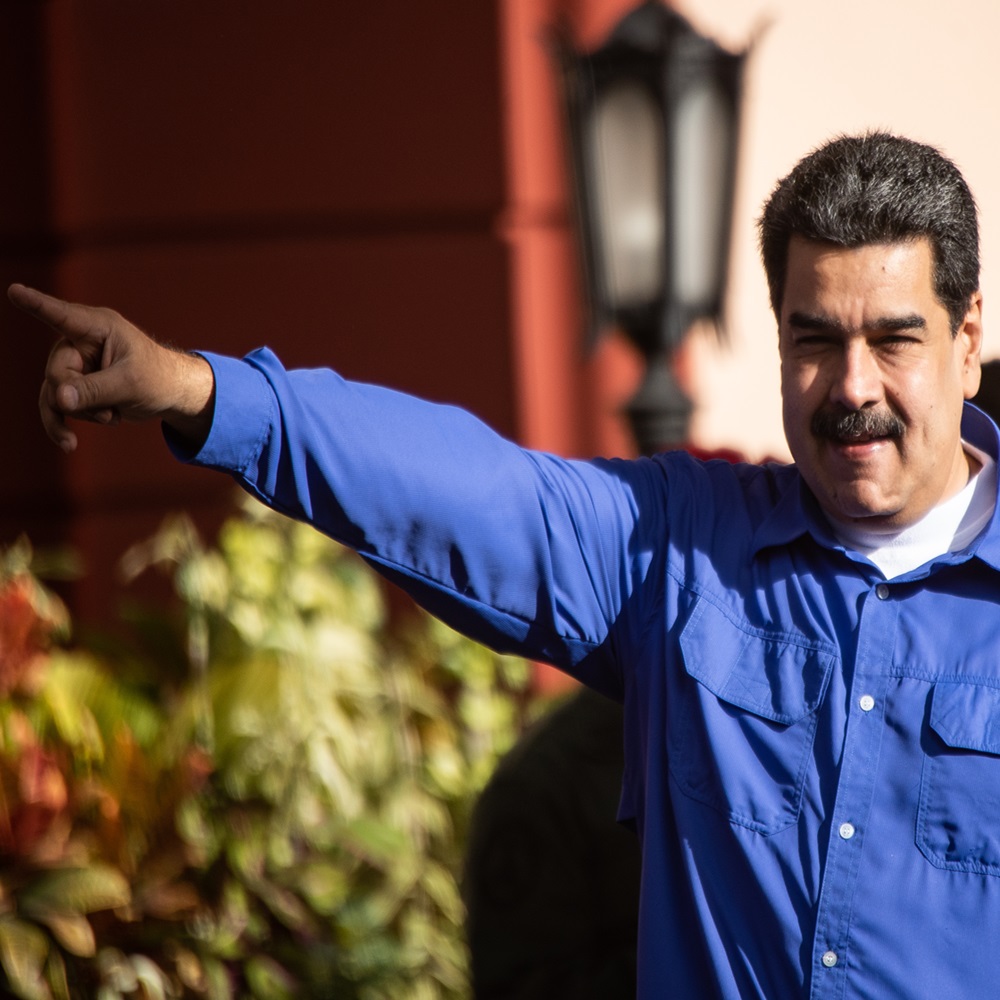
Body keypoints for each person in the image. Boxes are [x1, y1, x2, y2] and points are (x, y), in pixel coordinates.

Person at [11, 130, 999, 998]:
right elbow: (469, 491)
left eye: (893, 339)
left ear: (965, 340)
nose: (850, 385)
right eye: (813, 340)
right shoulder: (682, 550)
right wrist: (200, 391)